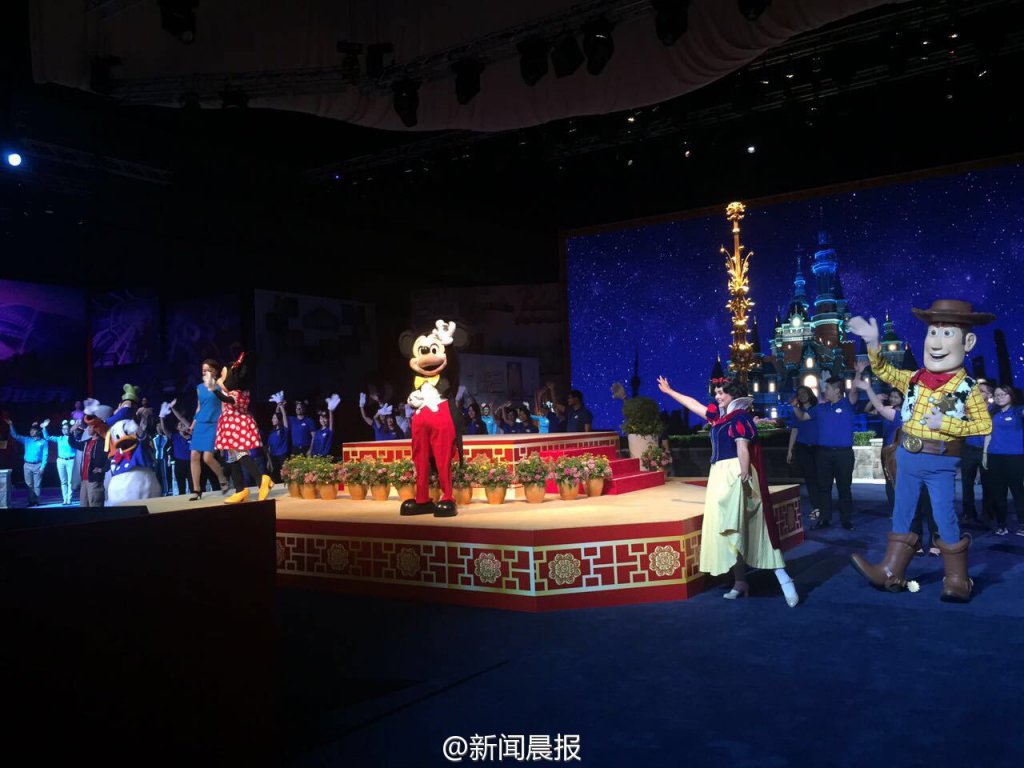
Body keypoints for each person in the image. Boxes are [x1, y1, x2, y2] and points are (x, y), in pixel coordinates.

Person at [847, 300, 994, 602]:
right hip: (907, 456)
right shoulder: (914, 378)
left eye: (947, 333)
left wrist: (947, 424)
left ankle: (957, 578)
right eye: (932, 332)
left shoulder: (967, 387)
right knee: (901, 512)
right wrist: (873, 343)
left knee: (943, 515)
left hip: (940, 461)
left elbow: (983, 425)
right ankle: (891, 571)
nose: (936, 343)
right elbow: (884, 370)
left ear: (967, 342)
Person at [657, 375, 799, 607]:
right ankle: (740, 581)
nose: (717, 396)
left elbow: (742, 447)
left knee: (752, 526)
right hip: (719, 475)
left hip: (735, 473)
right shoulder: (719, 417)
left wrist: (743, 473)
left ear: (733, 394)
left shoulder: (740, 417)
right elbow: (694, 405)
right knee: (728, 529)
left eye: (721, 392)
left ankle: (784, 578)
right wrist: (670, 392)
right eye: (716, 392)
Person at [858, 371, 938, 555]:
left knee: (931, 506)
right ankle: (916, 541)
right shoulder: (901, 416)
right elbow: (879, 407)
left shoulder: (932, 415)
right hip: (908, 467)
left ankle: (935, 541)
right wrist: (868, 389)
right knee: (913, 505)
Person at [792, 377, 859, 531]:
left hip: (843, 454)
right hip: (823, 454)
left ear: (837, 390)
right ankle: (824, 518)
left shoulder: (847, 404)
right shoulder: (820, 408)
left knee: (844, 488)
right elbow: (802, 417)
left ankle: (846, 520)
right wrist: (795, 406)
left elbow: (854, 391)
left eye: (827, 388)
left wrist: (858, 373)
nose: (824, 391)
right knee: (823, 488)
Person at [211, 353, 273, 504]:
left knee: (241, 455)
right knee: (232, 459)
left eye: (223, 376)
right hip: (230, 426)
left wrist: (213, 388)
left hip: (236, 426)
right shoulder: (236, 392)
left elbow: (227, 399)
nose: (220, 378)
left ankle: (262, 480)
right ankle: (240, 490)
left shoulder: (237, 394)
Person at [182, 359, 229, 501]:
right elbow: (199, 407)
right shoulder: (199, 387)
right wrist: (192, 426)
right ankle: (196, 490)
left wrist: (224, 427)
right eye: (203, 370)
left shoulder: (220, 387)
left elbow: (224, 407)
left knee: (207, 458)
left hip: (214, 424)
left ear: (215, 371)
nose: (205, 372)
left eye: (208, 370)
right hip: (200, 424)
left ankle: (222, 477)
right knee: (194, 456)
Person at [983, 383, 1024, 536]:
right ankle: (1001, 524)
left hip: (1015, 457)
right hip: (995, 456)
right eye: (997, 395)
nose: (999, 397)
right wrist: (985, 454)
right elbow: (988, 435)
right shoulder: (993, 412)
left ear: (1010, 395)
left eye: (1003, 394)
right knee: (998, 492)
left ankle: (1022, 524)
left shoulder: (1018, 411)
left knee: (1018, 491)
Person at [959, 379, 994, 528]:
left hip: (987, 450)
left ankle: (987, 514)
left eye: (982, 391)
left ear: (989, 395)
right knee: (966, 483)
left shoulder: (994, 410)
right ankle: (968, 514)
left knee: (988, 483)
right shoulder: (967, 409)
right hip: (969, 448)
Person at [786, 385, 821, 522]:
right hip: (803, 448)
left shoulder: (817, 409)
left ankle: (823, 506)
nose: (802, 395)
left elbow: (803, 418)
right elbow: (794, 431)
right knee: (810, 479)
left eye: (804, 393)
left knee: (820, 479)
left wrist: (794, 407)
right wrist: (790, 450)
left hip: (818, 448)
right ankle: (816, 508)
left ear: (810, 394)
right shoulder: (796, 411)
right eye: (799, 393)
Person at [7, 419, 49, 506]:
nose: (31, 431)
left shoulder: (43, 442)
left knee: (37, 484)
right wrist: (11, 425)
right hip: (27, 465)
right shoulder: (26, 439)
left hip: (38, 465)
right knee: (29, 484)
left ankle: (37, 501)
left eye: (33, 430)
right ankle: (31, 501)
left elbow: (45, 455)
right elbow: (15, 436)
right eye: (31, 430)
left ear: (38, 432)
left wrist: (43, 467)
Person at [41, 419, 77, 505]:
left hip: (71, 460)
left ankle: (69, 499)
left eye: (66, 428)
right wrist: (44, 428)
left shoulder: (73, 438)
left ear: (69, 429)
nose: (64, 430)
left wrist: (76, 428)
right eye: (63, 429)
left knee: (70, 481)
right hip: (60, 461)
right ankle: (65, 499)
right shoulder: (59, 438)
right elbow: (47, 437)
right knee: (63, 481)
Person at [266, 408, 290, 482]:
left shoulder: (283, 430)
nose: (272, 420)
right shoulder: (271, 432)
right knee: (275, 477)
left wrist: (281, 407)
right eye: (272, 418)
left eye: (274, 418)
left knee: (285, 476)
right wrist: (269, 461)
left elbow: (283, 417)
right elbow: (269, 448)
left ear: (279, 420)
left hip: (282, 456)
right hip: (273, 457)